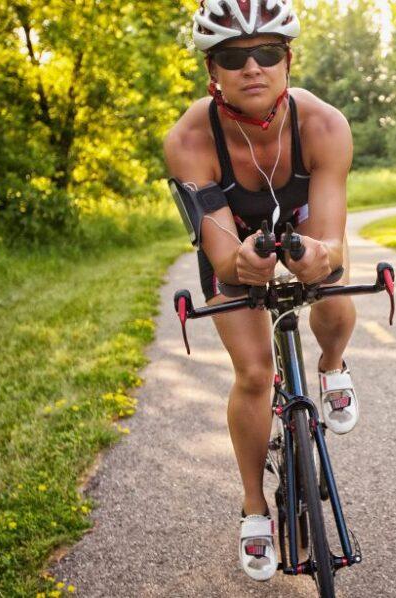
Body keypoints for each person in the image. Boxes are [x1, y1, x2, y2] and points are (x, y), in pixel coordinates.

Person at [162, 0, 359, 581]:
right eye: (233, 56)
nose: (253, 67)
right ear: (213, 72)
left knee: (329, 289)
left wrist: (316, 255)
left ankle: (333, 365)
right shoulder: (189, 139)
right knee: (252, 373)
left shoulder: (325, 125)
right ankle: (254, 508)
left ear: (288, 60)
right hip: (232, 238)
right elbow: (224, 257)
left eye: (267, 52)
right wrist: (243, 261)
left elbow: (334, 243)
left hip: (300, 225)